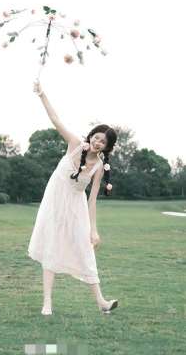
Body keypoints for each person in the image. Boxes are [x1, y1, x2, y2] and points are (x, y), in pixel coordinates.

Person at [27, 79, 118, 316]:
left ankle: (101, 302)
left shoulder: (99, 166)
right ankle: (47, 303)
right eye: (97, 137)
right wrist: (41, 94)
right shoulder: (76, 144)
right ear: (92, 136)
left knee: (85, 248)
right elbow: (56, 119)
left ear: (106, 148)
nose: (98, 142)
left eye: (103, 142)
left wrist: (94, 229)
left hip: (77, 205)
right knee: (51, 246)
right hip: (56, 200)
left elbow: (92, 199)